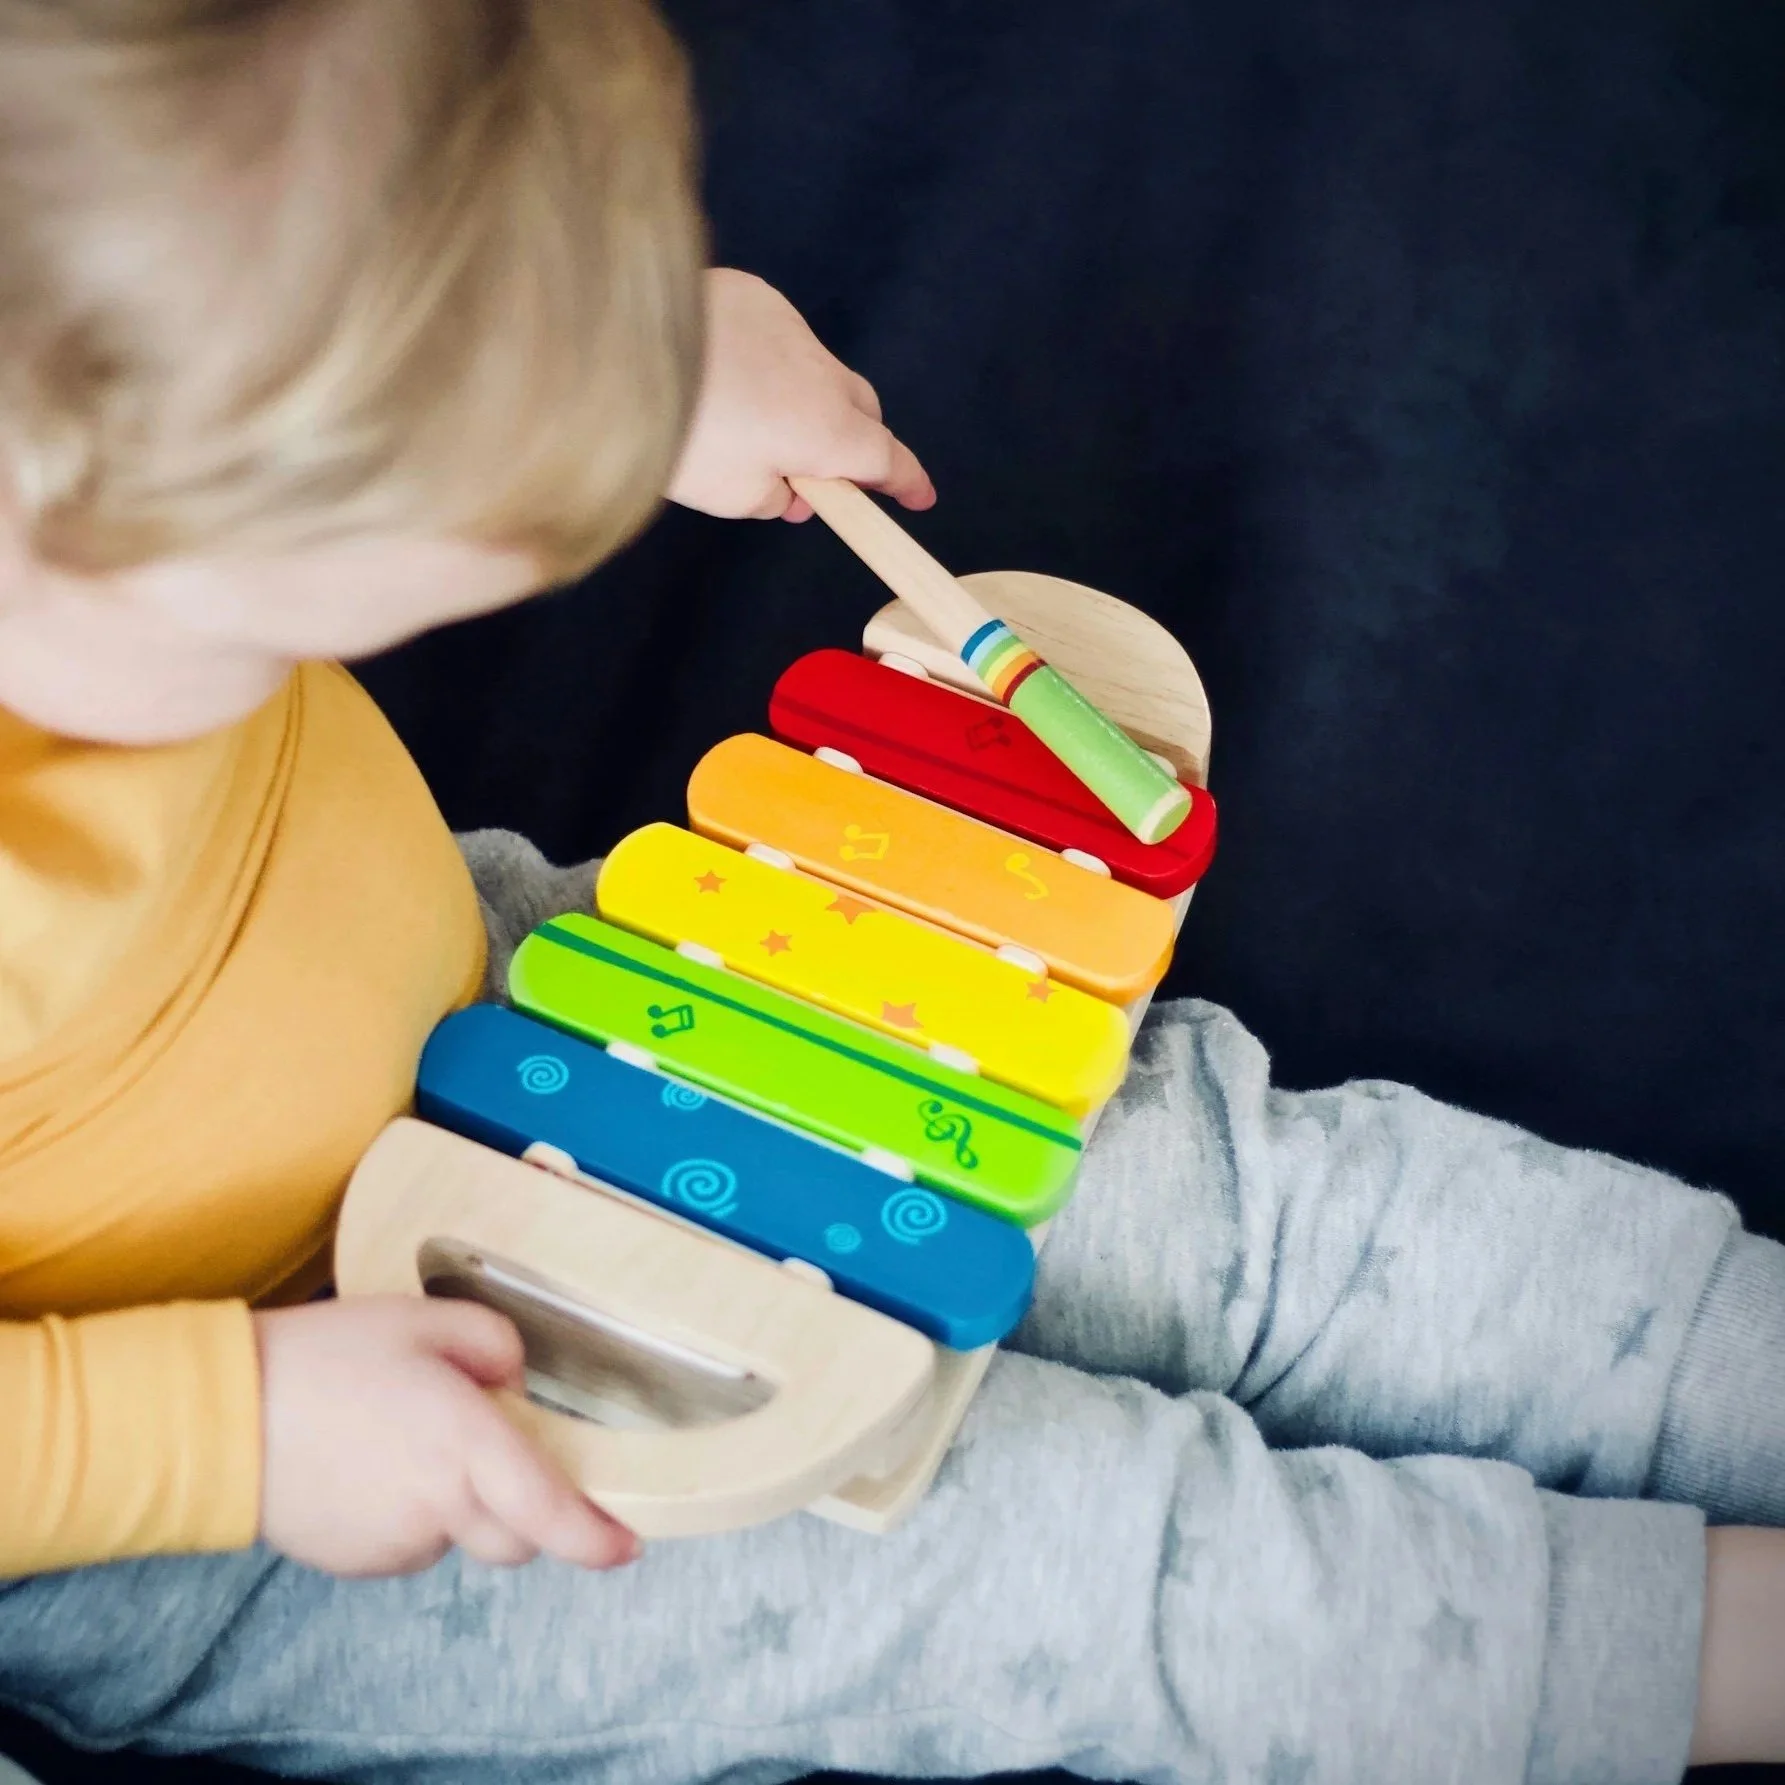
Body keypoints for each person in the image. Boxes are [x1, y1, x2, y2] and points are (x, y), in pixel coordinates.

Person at [0, 4, 1781, 1782]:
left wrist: (617, 362)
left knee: (1251, 1203)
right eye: (288, 621)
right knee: (1111, 1568)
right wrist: (234, 1428)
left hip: (520, 1005)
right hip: (269, 1439)